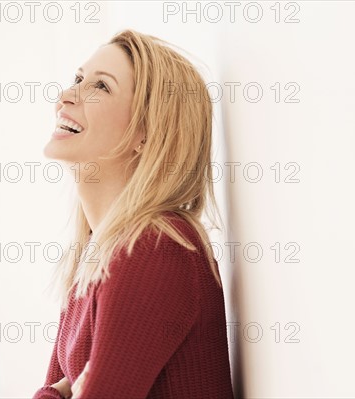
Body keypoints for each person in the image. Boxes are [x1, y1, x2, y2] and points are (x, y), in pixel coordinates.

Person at [31, 29, 234, 398]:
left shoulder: (156, 246)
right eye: (78, 78)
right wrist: (61, 391)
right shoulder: (95, 256)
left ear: (145, 132)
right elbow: (52, 387)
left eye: (101, 87)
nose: (65, 96)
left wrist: (64, 391)